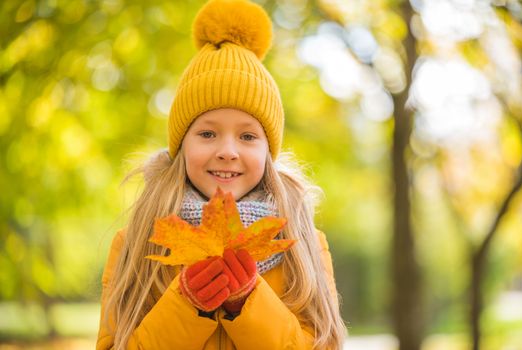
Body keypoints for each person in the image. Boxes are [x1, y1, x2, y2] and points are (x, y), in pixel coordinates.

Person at [96, 0, 347, 349]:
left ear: (267, 152)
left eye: (247, 136)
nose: (228, 151)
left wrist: (247, 301)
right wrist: (187, 305)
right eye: (207, 134)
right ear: (182, 146)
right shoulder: (138, 239)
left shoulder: (303, 243)